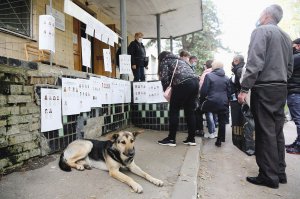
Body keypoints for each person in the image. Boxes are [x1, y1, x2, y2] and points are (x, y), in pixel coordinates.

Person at [237, 4, 293, 189]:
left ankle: (268, 176)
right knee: (276, 131)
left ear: (267, 15)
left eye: (261, 13)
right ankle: (279, 172)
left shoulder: (261, 31)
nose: (259, 16)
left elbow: (254, 62)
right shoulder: (286, 37)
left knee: (264, 132)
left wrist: (244, 88)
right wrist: (282, 80)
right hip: (281, 87)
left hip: (265, 87)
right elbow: (290, 67)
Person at [157, 51, 199, 146]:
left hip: (182, 84)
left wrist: (167, 90)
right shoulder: (181, 61)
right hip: (195, 82)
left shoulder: (165, 61)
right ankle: (191, 139)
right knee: (190, 111)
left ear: (161, 58)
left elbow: (164, 78)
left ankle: (171, 139)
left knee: (174, 110)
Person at [200, 61, 230, 147]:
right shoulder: (226, 78)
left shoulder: (209, 76)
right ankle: (219, 140)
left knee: (202, 113)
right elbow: (229, 92)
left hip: (211, 101)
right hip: (223, 102)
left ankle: (210, 131)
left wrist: (202, 100)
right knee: (222, 121)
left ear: (214, 67)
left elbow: (204, 91)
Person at [285, 38, 300, 154]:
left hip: (295, 92)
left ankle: (299, 146)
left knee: (298, 120)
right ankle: (298, 142)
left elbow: (284, 70)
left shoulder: (296, 57)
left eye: (293, 45)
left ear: (298, 46)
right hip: (296, 92)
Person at [198, 60, 216, 139]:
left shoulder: (205, 74)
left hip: (207, 96)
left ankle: (211, 132)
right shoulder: (216, 73)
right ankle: (214, 132)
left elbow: (202, 87)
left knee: (209, 114)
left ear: (206, 65)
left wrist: (201, 97)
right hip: (216, 96)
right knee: (214, 114)